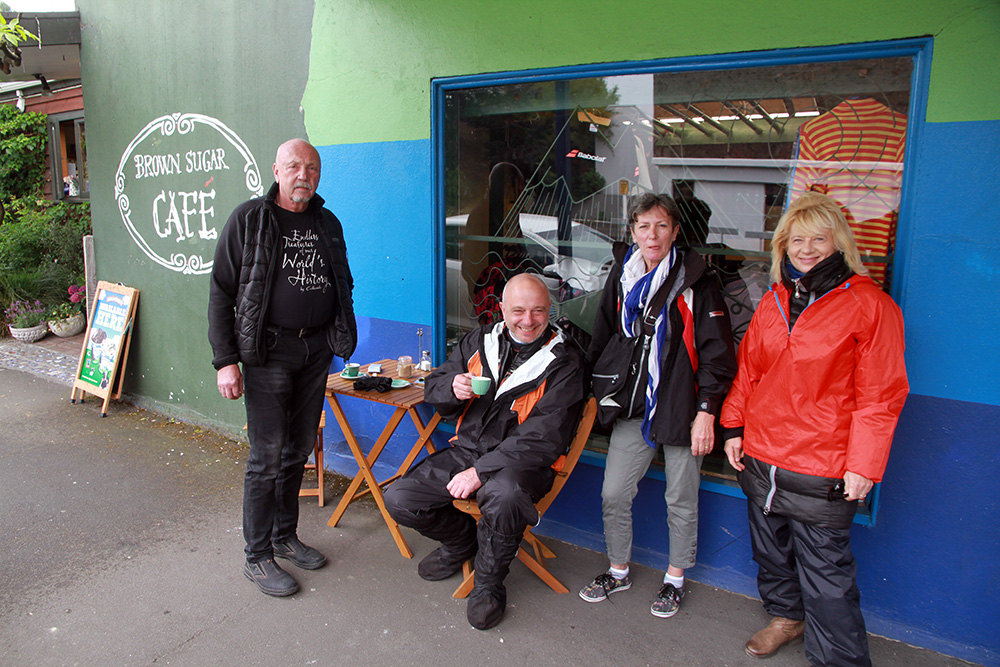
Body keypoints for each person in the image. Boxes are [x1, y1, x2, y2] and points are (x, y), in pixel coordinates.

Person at [721, 191, 908, 665]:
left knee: (827, 577)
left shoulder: (870, 305)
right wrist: (733, 426)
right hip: (763, 454)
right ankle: (786, 618)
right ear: (783, 245)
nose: (806, 249)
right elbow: (750, 372)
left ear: (839, 242)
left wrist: (863, 465)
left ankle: (839, 659)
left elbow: (881, 395)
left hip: (822, 462)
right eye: (796, 239)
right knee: (772, 553)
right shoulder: (775, 300)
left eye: (818, 239)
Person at [384, 273, 586, 630]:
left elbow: (544, 438)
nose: (528, 320)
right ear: (502, 309)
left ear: (550, 310)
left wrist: (481, 471)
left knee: (504, 496)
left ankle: (488, 582)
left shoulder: (565, 361)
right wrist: (452, 387)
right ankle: (462, 542)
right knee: (400, 498)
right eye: (518, 311)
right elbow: (435, 385)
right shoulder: (480, 340)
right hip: (467, 451)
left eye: (538, 311)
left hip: (523, 465)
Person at [208, 138, 357, 597]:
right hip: (268, 352)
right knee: (266, 457)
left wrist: (337, 333)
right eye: (294, 166)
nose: (303, 176)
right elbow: (221, 292)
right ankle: (257, 557)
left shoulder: (328, 222)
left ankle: (284, 536)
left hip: (315, 351)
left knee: (298, 450)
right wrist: (225, 361)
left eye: (312, 168)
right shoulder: (250, 219)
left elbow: (342, 281)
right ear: (276, 171)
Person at [579, 193, 737, 618]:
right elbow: (605, 335)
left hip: (683, 407)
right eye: (644, 226)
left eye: (662, 226)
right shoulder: (623, 273)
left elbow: (717, 353)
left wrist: (706, 411)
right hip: (634, 404)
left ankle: (675, 579)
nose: (653, 235)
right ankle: (618, 570)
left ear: (675, 231)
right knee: (614, 493)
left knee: (680, 497)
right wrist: (596, 389)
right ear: (633, 231)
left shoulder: (697, 280)